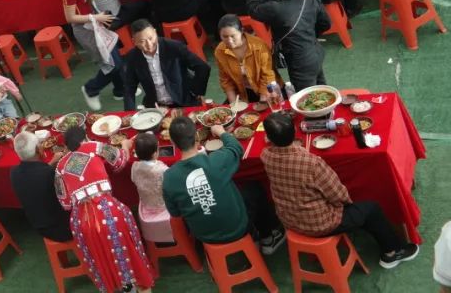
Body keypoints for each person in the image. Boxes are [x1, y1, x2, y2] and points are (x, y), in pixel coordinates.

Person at [261, 112, 420, 268]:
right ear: (295, 131)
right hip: (319, 225)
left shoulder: (265, 155)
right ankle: (392, 252)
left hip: (288, 220)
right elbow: (339, 195)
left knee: (358, 210)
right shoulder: (311, 163)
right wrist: (347, 203)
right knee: (371, 209)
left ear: (268, 138)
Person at [163, 116, 285, 253]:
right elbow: (236, 148)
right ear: (197, 137)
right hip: (237, 228)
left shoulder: (168, 177)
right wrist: (221, 132)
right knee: (254, 188)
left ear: (172, 142)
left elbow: (176, 212)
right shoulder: (215, 161)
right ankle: (266, 239)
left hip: (204, 236)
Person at [55, 129, 154, 293]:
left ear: (67, 146)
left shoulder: (60, 166)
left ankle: (121, 286)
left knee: (103, 257)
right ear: (85, 138)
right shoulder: (95, 146)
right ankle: (137, 285)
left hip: (82, 221)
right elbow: (120, 162)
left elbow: (65, 204)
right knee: (127, 251)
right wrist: (125, 145)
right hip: (108, 211)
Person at [57, 0, 127, 110]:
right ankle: (91, 89)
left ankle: (120, 90)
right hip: (86, 29)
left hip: (94, 23)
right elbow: (70, 17)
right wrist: (96, 17)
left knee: (113, 56)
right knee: (112, 63)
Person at [248, 0, 332, 89]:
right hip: (315, 51)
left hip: (299, 61)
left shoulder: (275, 8)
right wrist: (307, 35)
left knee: (306, 96)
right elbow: (326, 24)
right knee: (322, 90)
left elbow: (253, 8)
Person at [124, 19, 210, 107]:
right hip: (156, 105)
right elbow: (129, 86)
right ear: (134, 41)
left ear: (155, 32)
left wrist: (197, 91)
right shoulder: (132, 57)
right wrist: (129, 111)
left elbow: (203, 67)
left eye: (151, 38)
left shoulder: (174, 47)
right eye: (142, 41)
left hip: (183, 101)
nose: (149, 44)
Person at [214, 14, 279, 103]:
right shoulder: (220, 51)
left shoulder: (259, 46)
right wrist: (233, 105)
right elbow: (226, 81)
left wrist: (262, 102)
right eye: (225, 37)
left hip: (267, 89)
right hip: (242, 92)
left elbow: (267, 76)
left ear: (242, 31)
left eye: (233, 36)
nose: (229, 40)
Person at [130, 132, 173, 243]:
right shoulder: (162, 170)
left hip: (146, 205)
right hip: (164, 207)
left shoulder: (134, 167)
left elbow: (134, 179)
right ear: (155, 153)